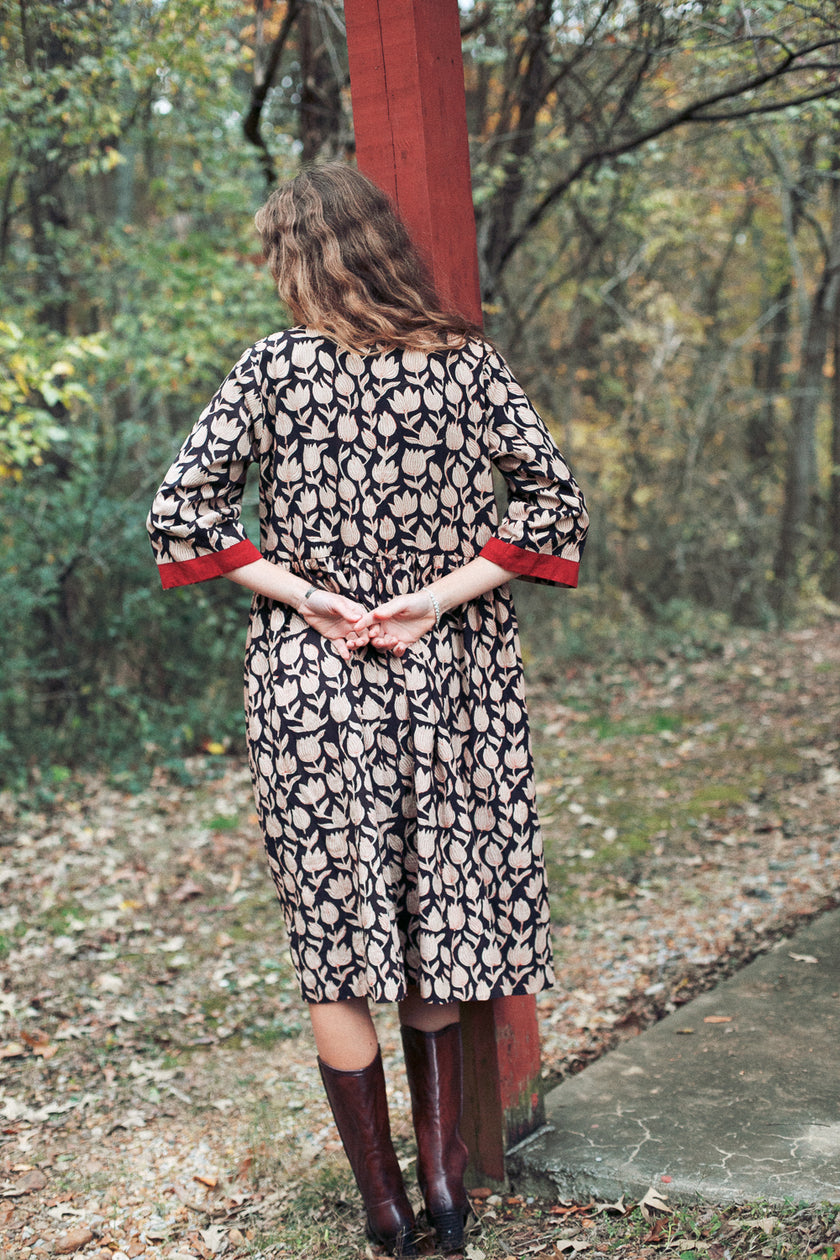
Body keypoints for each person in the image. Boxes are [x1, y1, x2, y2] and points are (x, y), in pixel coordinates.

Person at [146, 163, 588, 1257]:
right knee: (436, 914)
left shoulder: (273, 369)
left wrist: (311, 596)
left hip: (311, 682)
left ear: (297, 260)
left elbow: (179, 511)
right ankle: (445, 1185)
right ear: (387, 247)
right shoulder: (467, 367)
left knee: (338, 939)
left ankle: (385, 1206)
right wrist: (433, 601)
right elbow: (555, 504)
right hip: (450, 679)